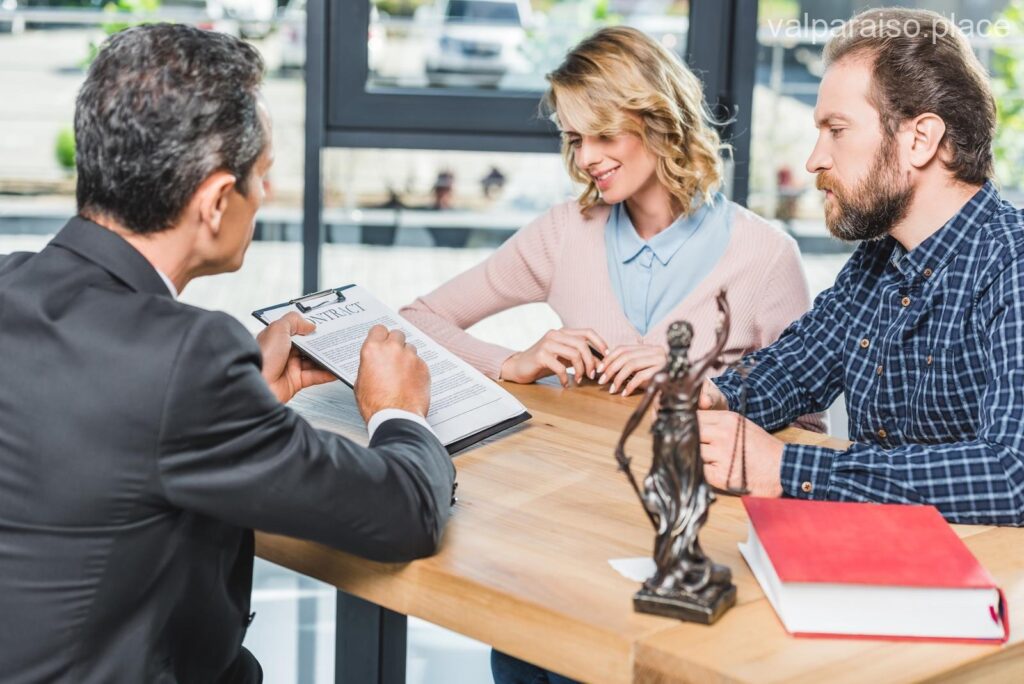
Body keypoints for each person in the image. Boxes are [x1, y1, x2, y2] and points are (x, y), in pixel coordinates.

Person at [0, 24, 454, 683]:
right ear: (216, 200)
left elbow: (100, 451)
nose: (265, 196)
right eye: (261, 176)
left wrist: (246, 401)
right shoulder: (186, 359)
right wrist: (397, 410)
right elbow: (402, 516)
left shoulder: (12, 283)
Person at [698, 8, 1024, 526]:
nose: (814, 160)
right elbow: (794, 369)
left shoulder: (1014, 265)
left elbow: (1012, 474)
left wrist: (787, 466)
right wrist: (712, 397)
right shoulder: (878, 258)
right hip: (877, 553)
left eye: (837, 130)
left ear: (920, 139)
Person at [401, 26, 812, 401]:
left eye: (605, 134)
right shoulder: (563, 232)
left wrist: (704, 389)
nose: (586, 158)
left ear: (661, 121)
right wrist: (510, 364)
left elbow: (806, 421)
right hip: (582, 475)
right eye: (576, 138)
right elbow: (416, 320)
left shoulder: (768, 256)